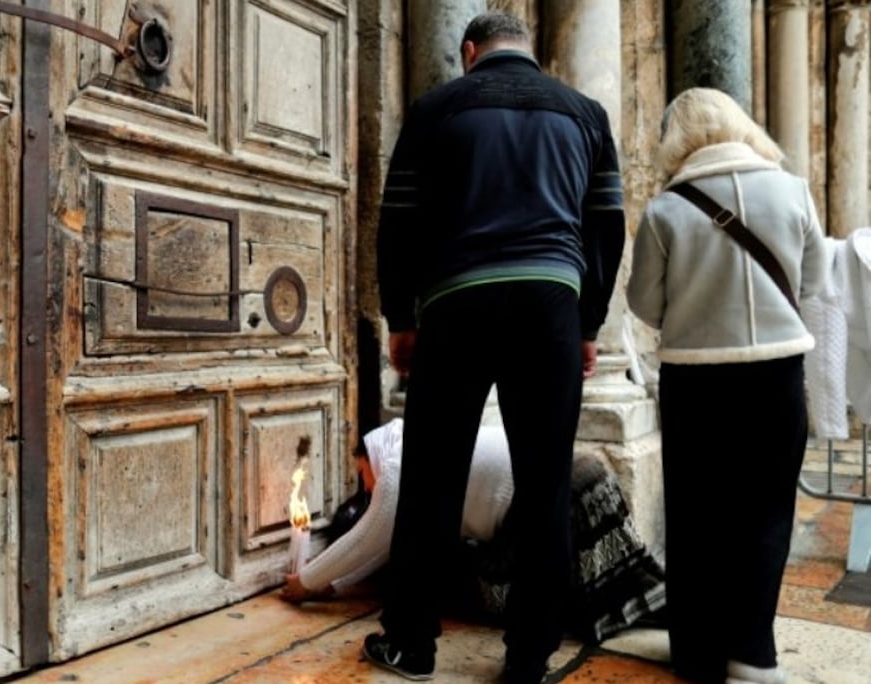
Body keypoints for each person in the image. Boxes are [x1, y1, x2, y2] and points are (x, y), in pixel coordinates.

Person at [366, 12, 626, 683]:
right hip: (550, 303)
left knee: (432, 477)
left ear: (470, 50)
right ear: (529, 51)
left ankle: (412, 645)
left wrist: (402, 316)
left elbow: (399, 221)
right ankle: (528, 657)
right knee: (545, 483)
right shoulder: (586, 112)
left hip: (458, 301)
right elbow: (607, 227)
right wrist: (589, 323)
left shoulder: (436, 108)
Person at [627, 87, 825, 684]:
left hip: (696, 381)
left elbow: (645, 305)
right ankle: (754, 653)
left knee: (696, 517)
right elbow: (812, 281)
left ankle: (697, 651)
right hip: (776, 374)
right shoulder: (791, 191)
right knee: (766, 512)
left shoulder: (666, 208)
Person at [281, 419, 667, 647]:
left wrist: (308, 581)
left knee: (482, 590)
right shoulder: (420, 436)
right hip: (585, 474)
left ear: (370, 454)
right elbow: (393, 537)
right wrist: (336, 584)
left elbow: (372, 535)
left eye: (362, 474)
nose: (365, 487)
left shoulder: (398, 465)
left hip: (558, 501)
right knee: (633, 586)